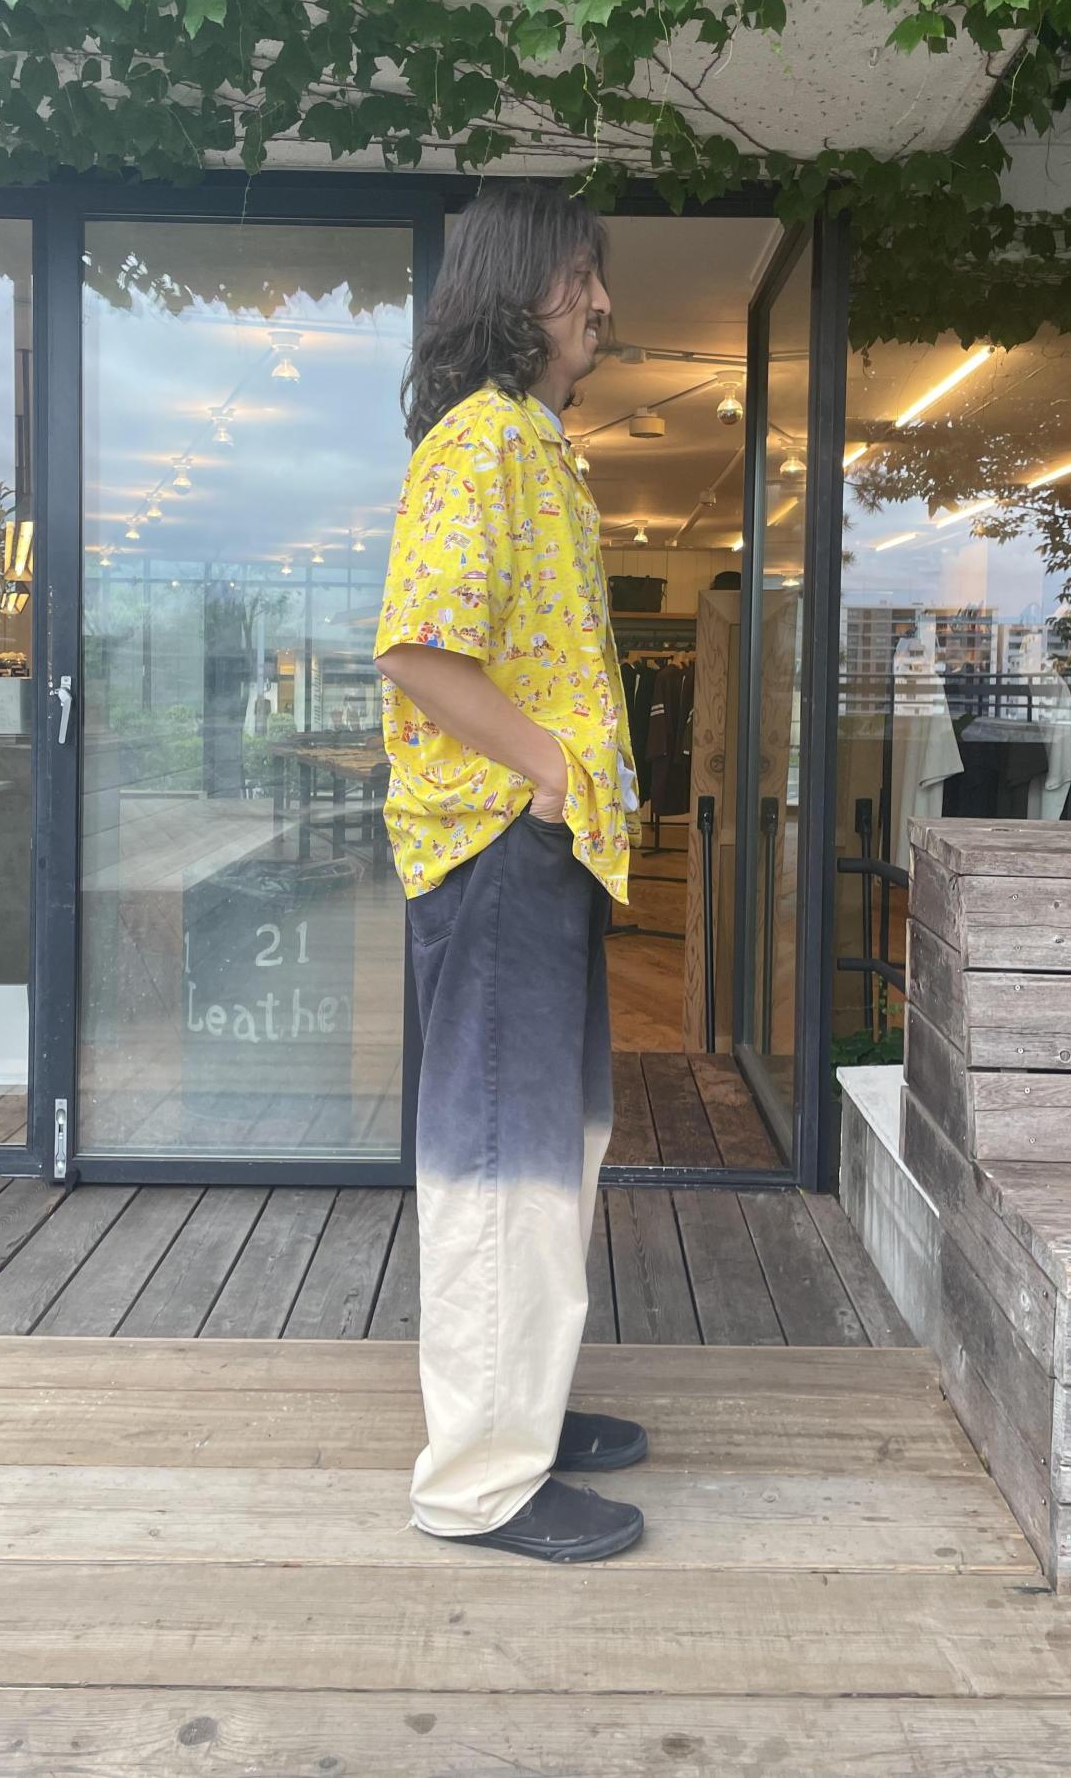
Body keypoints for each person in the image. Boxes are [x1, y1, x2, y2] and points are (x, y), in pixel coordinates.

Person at [374, 184, 647, 1565]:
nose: (600, 300)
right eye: (575, 275)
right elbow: (420, 650)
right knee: (502, 1160)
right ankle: (479, 1482)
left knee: (551, 1152)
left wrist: (566, 799)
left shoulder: (532, 445)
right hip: (499, 847)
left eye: (596, 275)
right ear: (512, 290)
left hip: (534, 850)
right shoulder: (479, 442)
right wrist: (549, 772)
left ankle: (518, 1414)